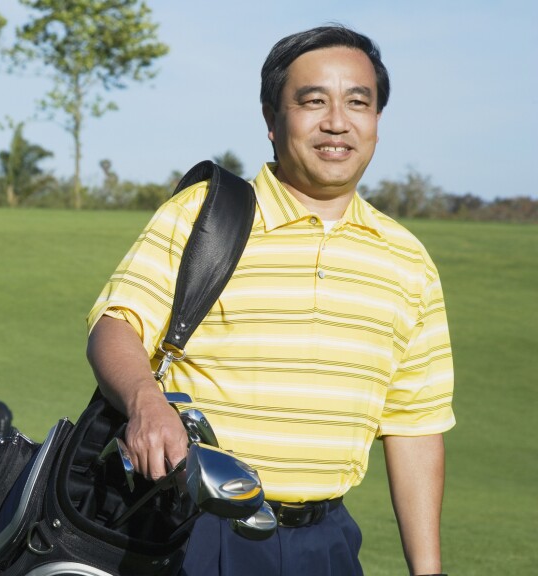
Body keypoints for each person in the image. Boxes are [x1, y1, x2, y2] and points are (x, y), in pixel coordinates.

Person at [85, 25, 454, 576]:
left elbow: (414, 426)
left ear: (377, 120)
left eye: (358, 102)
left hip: (327, 543)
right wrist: (145, 401)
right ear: (271, 119)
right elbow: (116, 324)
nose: (337, 122)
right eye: (313, 101)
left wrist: (428, 571)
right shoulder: (205, 214)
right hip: (193, 529)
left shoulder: (409, 261)